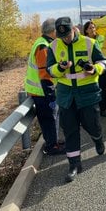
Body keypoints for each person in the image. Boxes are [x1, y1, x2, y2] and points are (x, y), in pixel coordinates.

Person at [47, 17, 106, 182]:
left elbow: (103, 61)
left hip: (87, 93)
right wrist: (59, 68)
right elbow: (50, 70)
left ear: (73, 28)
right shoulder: (53, 46)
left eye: (68, 34)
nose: (66, 38)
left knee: (92, 125)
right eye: (63, 36)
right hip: (66, 96)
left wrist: (94, 69)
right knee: (70, 130)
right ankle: (74, 164)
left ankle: (98, 139)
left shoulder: (89, 42)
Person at [24, 18, 64, 156]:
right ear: (53, 31)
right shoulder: (43, 47)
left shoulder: (44, 43)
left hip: (42, 90)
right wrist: (51, 94)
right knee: (49, 119)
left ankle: (53, 142)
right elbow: (45, 73)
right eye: (58, 30)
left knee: (51, 118)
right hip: (43, 91)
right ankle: (51, 146)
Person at [83, 21, 106, 117]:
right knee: (91, 90)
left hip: (102, 68)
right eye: (90, 28)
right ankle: (92, 110)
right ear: (86, 30)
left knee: (102, 89)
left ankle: (102, 109)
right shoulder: (84, 41)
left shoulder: (102, 38)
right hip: (90, 69)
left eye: (93, 27)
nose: (93, 29)